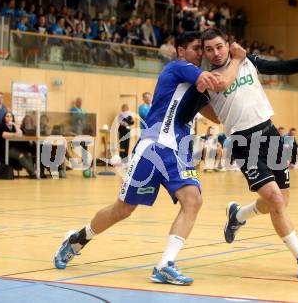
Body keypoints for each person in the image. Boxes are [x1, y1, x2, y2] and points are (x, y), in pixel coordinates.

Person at [53, 31, 246, 286]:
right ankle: (79, 238)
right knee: (123, 209)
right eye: (197, 48)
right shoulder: (179, 67)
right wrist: (237, 61)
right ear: (181, 51)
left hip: (179, 151)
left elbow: (216, 117)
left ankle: (165, 264)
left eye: (204, 49)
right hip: (153, 148)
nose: (201, 53)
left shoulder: (195, 84)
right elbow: (218, 80)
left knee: (193, 201)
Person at [201, 28, 298, 280]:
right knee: (275, 200)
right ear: (204, 52)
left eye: (219, 46)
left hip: (270, 135)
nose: (216, 53)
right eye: (209, 49)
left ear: (227, 44)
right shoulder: (207, 79)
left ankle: (238, 215)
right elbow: (205, 110)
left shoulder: (248, 61)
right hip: (243, 143)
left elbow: (284, 67)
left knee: (279, 202)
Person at [0, 111, 36, 178]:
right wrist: (14, 134)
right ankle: (34, 172)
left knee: (28, 154)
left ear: (12, 118)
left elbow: (20, 133)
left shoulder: (13, 127)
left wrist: (15, 125)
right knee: (21, 155)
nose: (9, 118)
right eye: (7, 116)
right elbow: (4, 134)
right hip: (5, 149)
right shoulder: (1, 126)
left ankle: (32, 173)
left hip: (15, 148)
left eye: (11, 116)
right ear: (4, 118)